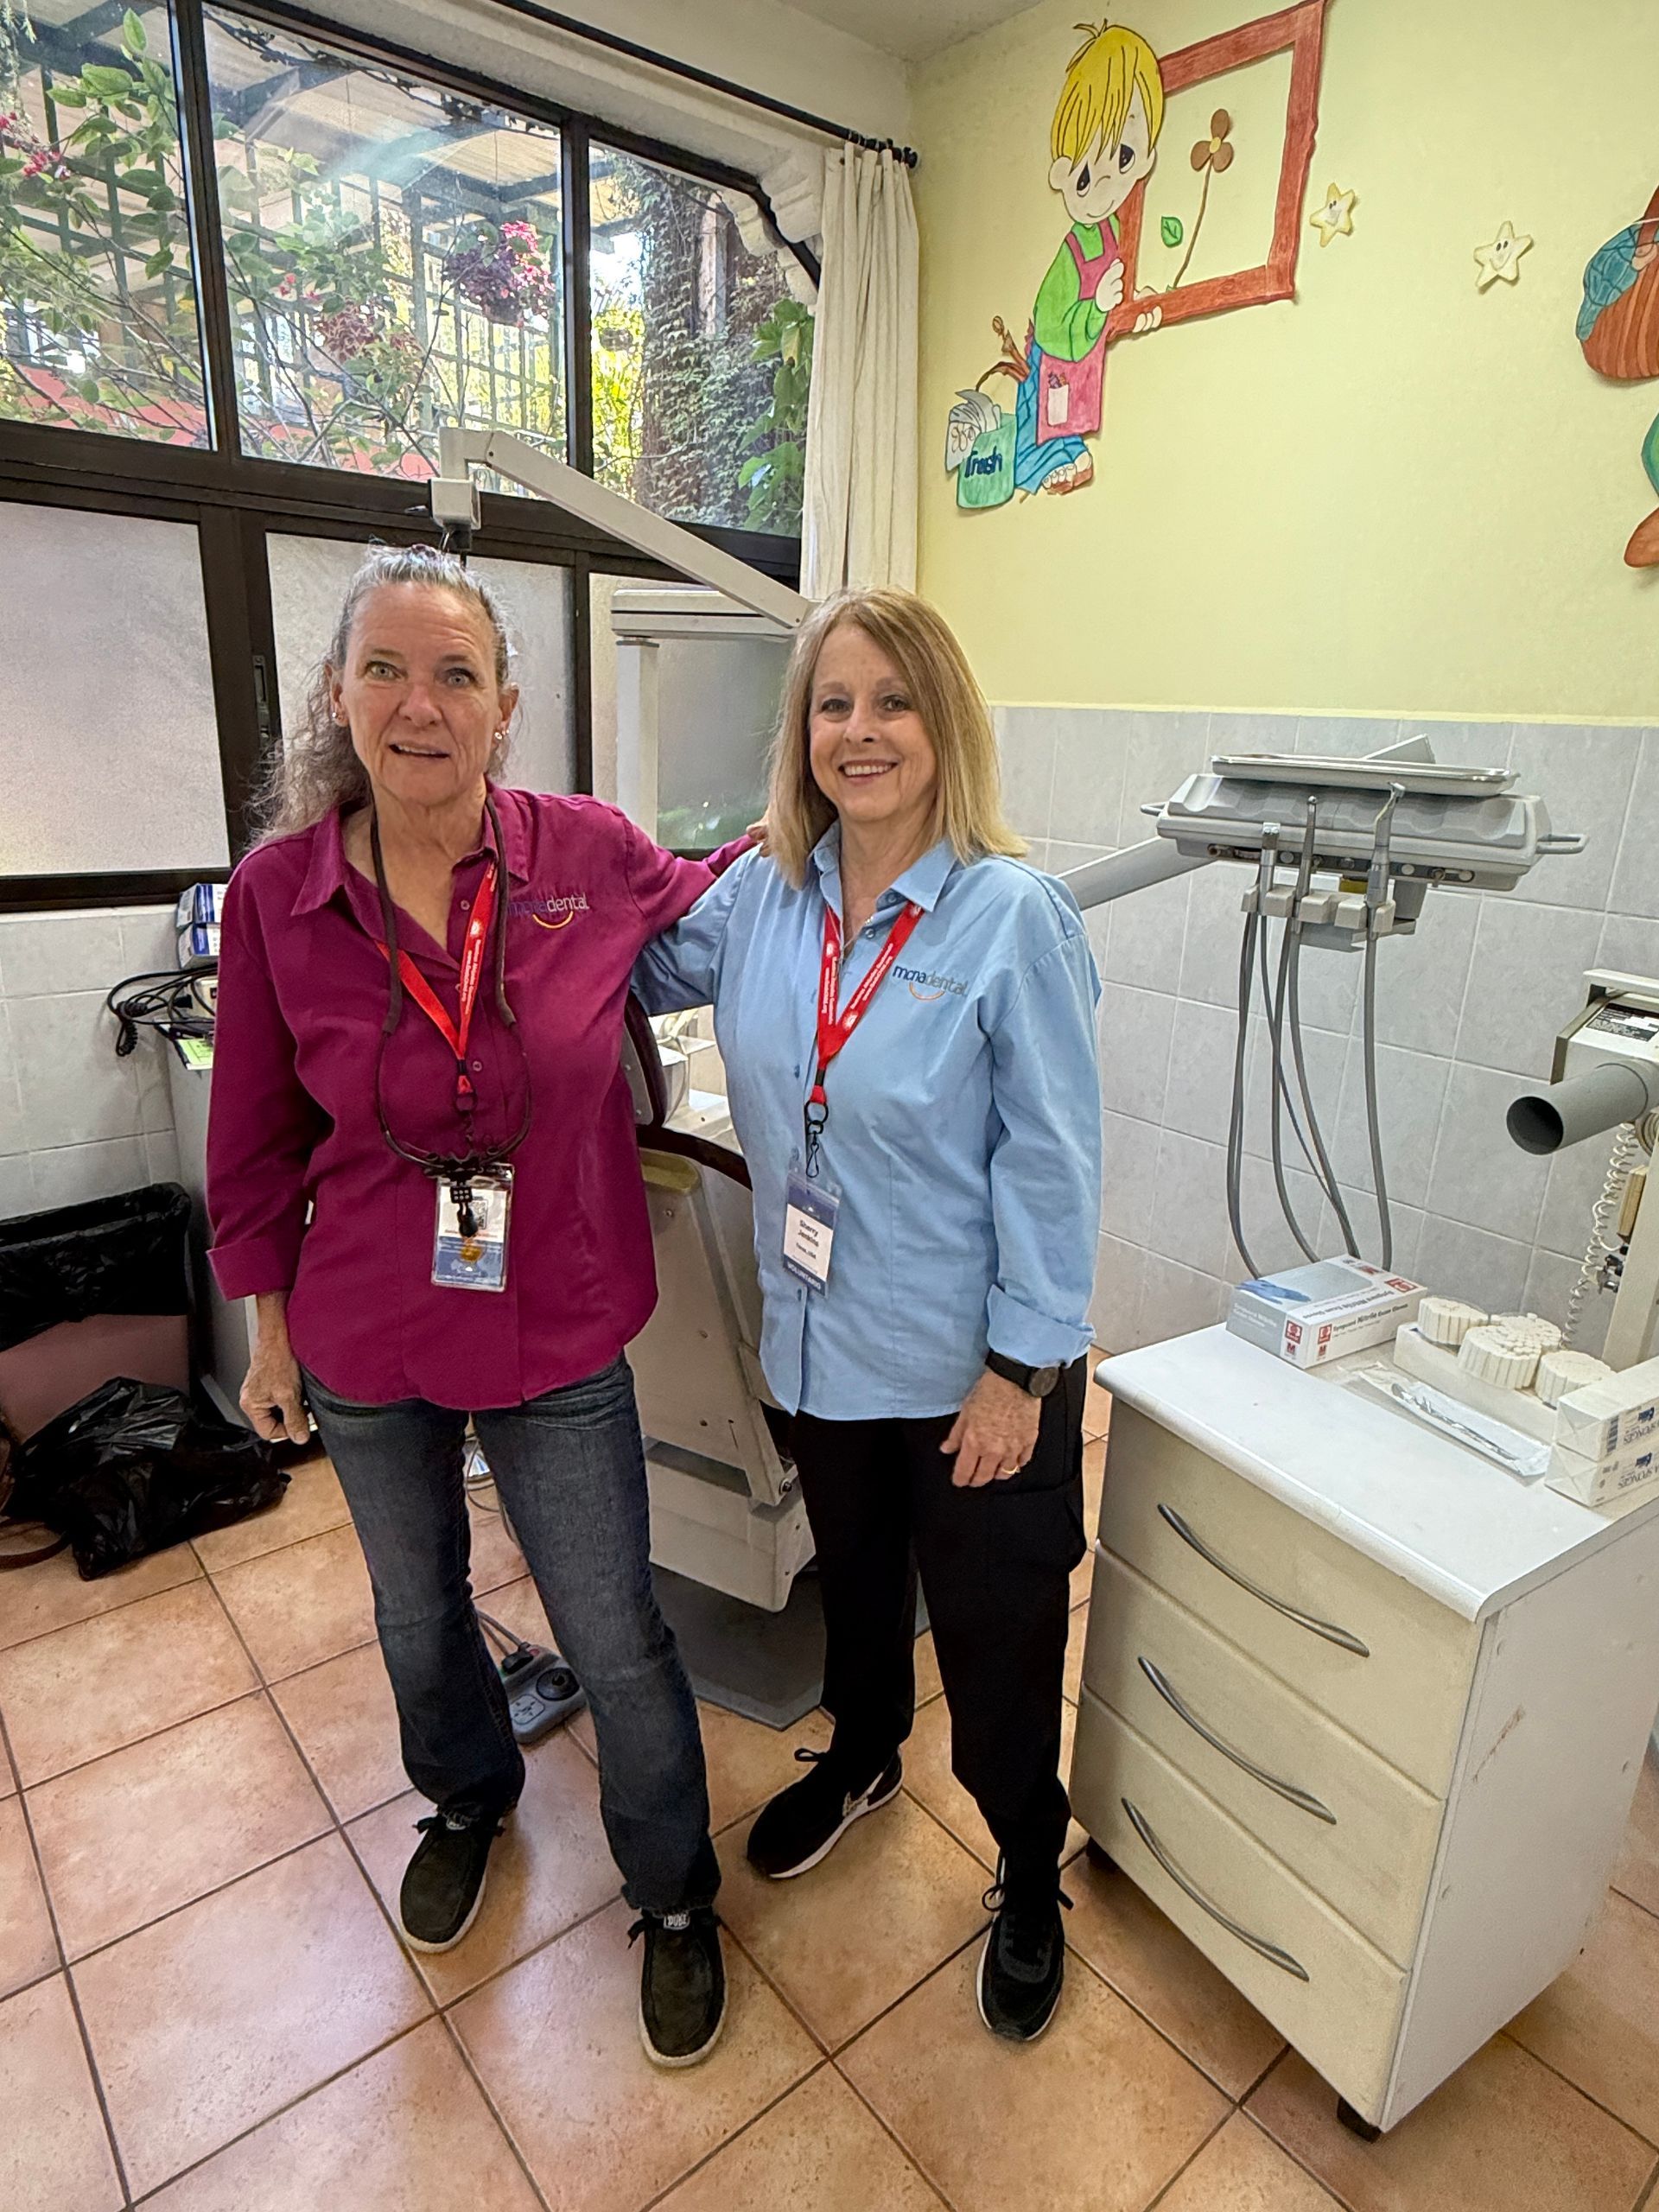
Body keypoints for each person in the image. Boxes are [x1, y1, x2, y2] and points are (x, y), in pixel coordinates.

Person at [207, 545, 733, 2068]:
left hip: (558, 1317)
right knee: (416, 1607)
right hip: (368, 1322)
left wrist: (860, 829)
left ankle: (673, 1893)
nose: (418, 704)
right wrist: (269, 1336)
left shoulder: (585, 855)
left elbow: (728, 895)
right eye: (385, 669)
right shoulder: (280, 898)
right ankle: (463, 1796)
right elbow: (250, 1137)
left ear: (507, 708)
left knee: (612, 1629)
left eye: (454, 675)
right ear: (340, 697)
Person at [635, 587, 1102, 2043]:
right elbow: (635, 967)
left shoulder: (1010, 916)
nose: (861, 730)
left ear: (942, 720)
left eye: (892, 700)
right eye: (834, 704)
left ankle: (1031, 1865)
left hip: (975, 1376)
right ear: (803, 735)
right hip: (819, 1347)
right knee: (855, 1579)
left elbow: (1057, 1162)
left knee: (997, 1630)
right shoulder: (763, 895)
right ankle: (865, 1754)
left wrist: (1022, 1369)